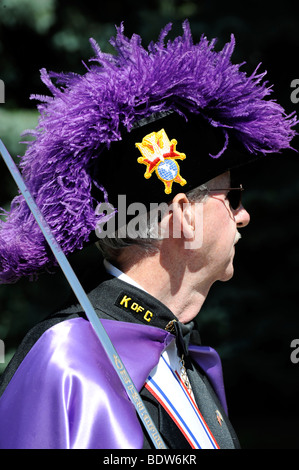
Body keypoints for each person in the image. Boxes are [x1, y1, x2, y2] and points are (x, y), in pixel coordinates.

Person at [0, 21, 296, 449]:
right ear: (183, 217)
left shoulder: (188, 360)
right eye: (232, 197)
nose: (244, 215)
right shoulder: (66, 359)